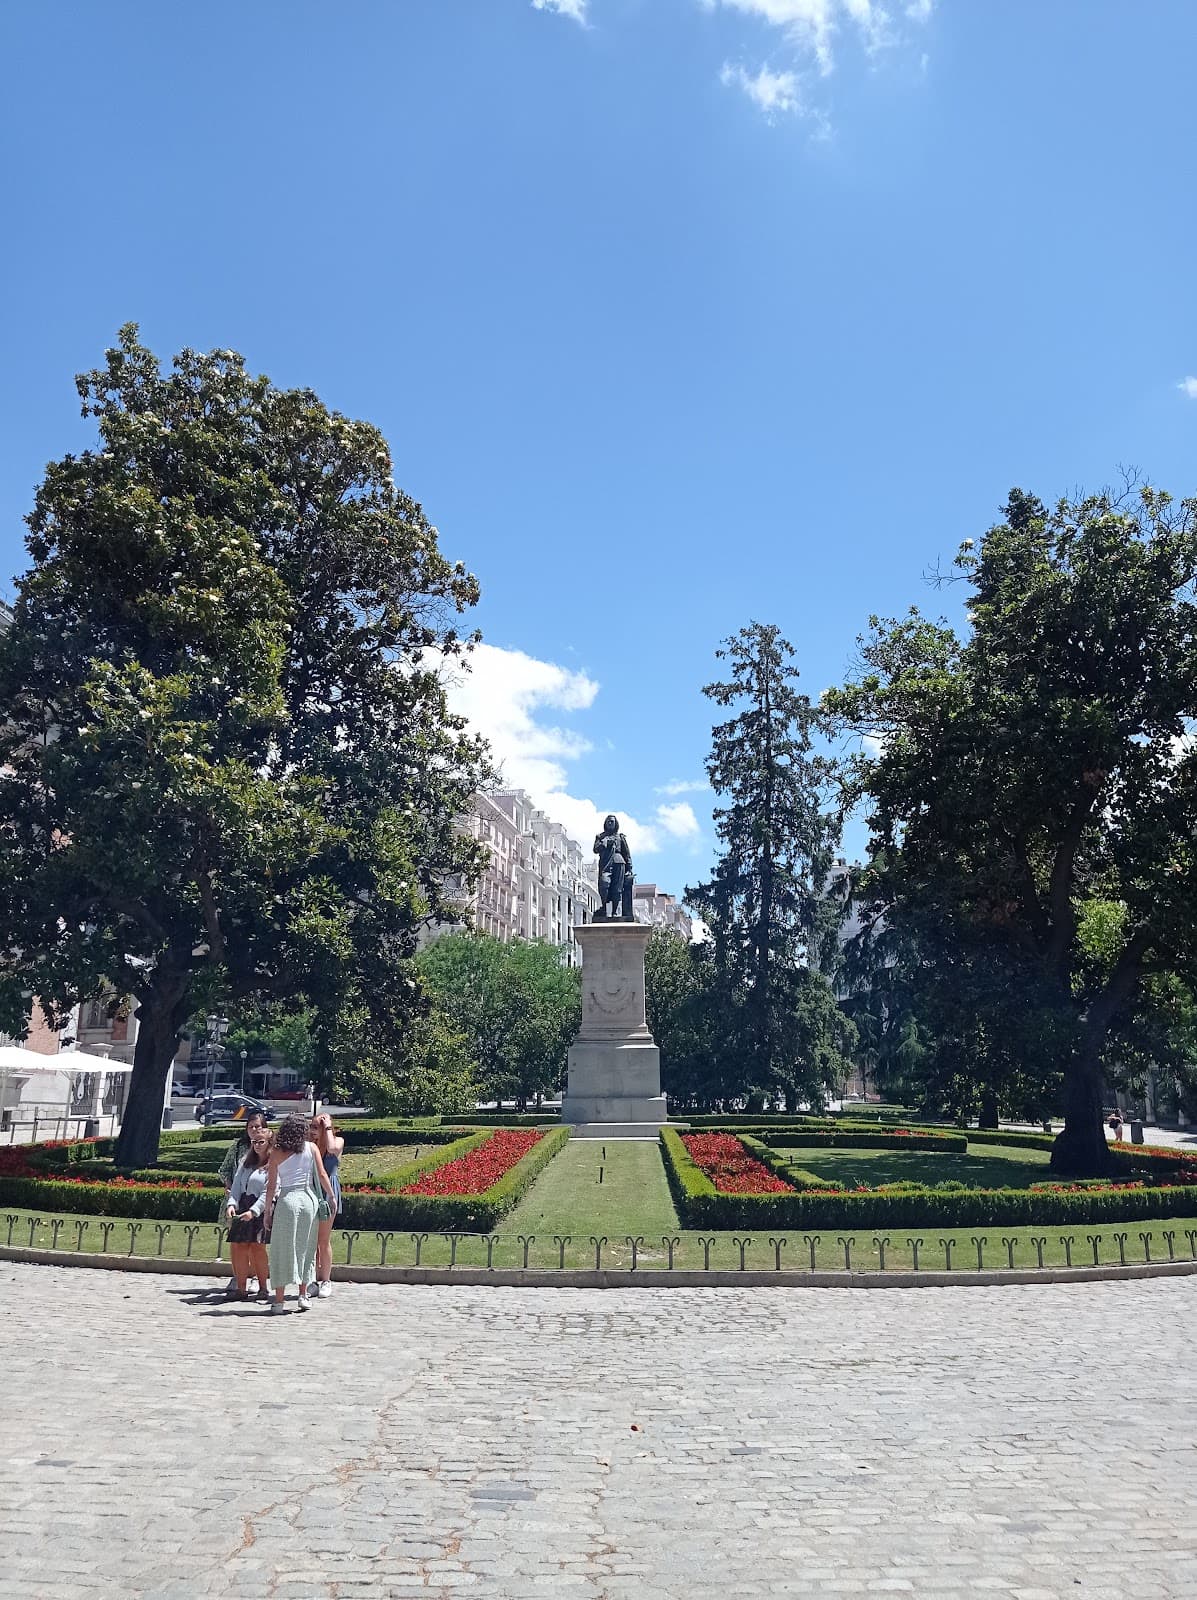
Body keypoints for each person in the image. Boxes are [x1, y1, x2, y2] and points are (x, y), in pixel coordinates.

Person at [263, 1112, 337, 1314]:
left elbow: (271, 1186)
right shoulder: (311, 1148)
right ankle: (303, 1295)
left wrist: (268, 1210)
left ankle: (279, 1301)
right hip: (308, 1199)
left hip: (288, 1200)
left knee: (282, 1249)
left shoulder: (277, 1152)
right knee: (306, 1248)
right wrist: (331, 1197)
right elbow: (322, 1175)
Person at [219, 1109, 271, 1297]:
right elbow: (236, 1187)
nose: (257, 1145)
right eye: (254, 1142)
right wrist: (231, 1204)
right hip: (242, 1207)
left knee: (257, 1248)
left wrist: (255, 1211)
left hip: (258, 1211)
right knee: (239, 1246)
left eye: (261, 1142)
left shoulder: (272, 1164)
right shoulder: (245, 1162)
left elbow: (269, 1192)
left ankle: (263, 1287)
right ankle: (241, 1287)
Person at [309, 1111, 344, 1299]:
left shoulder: (338, 1141)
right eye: (312, 1127)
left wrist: (328, 1125)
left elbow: (331, 1149)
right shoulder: (310, 1145)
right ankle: (313, 1280)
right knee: (311, 1241)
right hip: (312, 1189)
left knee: (323, 1240)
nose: (313, 1131)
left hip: (328, 1189)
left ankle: (326, 1280)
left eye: (317, 1127)